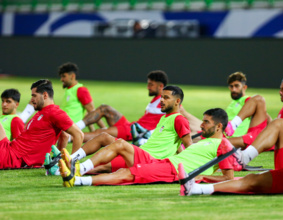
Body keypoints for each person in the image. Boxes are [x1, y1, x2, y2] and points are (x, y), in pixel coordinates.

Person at [59, 108, 236, 187]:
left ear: (219, 127)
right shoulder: (205, 142)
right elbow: (188, 154)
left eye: (206, 122)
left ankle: (77, 179)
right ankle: (78, 170)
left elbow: (228, 177)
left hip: (171, 171)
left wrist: (196, 178)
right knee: (120, 154)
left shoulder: (224, 144)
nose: (201, 125)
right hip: (166, 163)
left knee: (125, 174)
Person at [57, 85, 192, 174]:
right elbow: (178, 145)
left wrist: (185, 167)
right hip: (141, 153)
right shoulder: (165, 118)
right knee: (104, 138)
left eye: (166, 98)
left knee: (104, 165)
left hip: (147, 159)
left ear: (177, 101)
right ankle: (71, 160)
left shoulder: (179, 119)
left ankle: (69, 169)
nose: (161, 100)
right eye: (161, 97)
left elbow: (189, 147)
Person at [0, 79, 84, 169]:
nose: (32, 100)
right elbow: (64, 135)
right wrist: (57, 158)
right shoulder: (41, 112)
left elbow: (79, 134)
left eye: (34, 96)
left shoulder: (55, 112)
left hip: (11, 157)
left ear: (45, 95)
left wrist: (71, 163)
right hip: (9, 150)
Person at [181, 71, 270, 149]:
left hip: (229, 135)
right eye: (231, 86)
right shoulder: (233, 103)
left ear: (244, 87)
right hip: (219, 129)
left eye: (236, 86)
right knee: (183, 118)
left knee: (185, 135)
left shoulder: (247, 100)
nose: (233, 89)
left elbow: (263, 112)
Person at [75, 70, 168, 142]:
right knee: (104, 108)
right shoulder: (156, 99)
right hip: (132, 126)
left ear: (161, 86)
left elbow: (180, 113)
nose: (148, 87)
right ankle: (75, 128)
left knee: (101, 133)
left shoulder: (165, 101)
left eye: (151, 85)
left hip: (135, 132)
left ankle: (71, 136)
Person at [19, 63, 105, 132]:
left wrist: (104, 129)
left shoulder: (81, 90)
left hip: (67, 128)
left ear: (72, 76)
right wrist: (92, 130)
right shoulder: (70, 90)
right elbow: (86, 113)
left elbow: (93, 113)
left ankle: (20, 121)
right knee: (36, 99)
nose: (61, 79)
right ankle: (21, 121)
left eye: (64, 76)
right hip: (60, 122)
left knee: (28, 127)